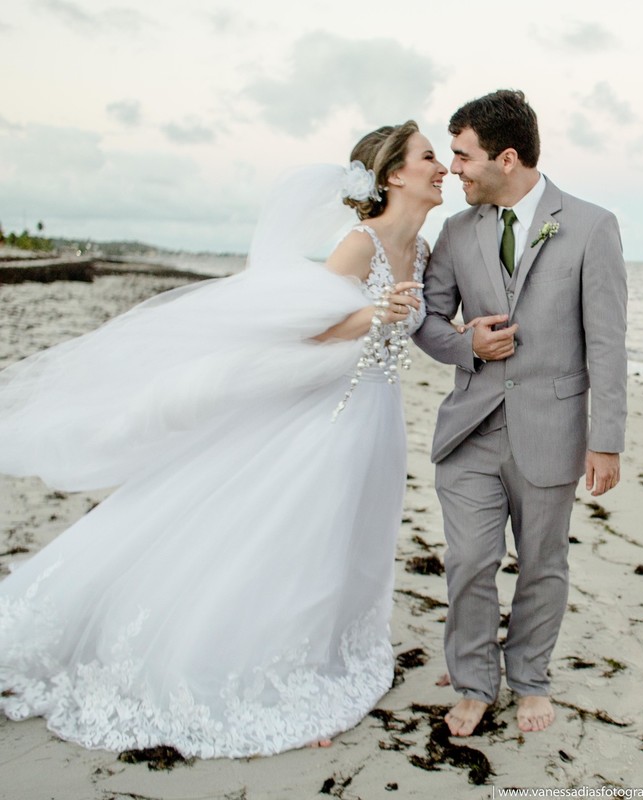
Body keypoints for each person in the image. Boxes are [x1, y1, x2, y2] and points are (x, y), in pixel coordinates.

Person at [0, 122, 446, 757]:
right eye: (430, 157)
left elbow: (425, 324)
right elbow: (306, 332)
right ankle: (275, 673)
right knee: (302, 540)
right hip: (329, 412)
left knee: (356, 535)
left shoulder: (424, 251)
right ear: (395, 174)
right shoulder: (359, 246)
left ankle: (331, 655)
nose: (444, 169)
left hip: (379, 411)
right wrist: (376, 313)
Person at [412, 90, 627, 736]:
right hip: (471, 429)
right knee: (470, 560)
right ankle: (476, 680)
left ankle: (530, 677)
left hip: (552, 430)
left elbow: (608, 341)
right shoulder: (454, 232)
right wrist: (465, 343)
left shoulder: (591, 226)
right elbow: (425, 319)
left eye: (462, 155)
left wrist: (606, 439)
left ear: (507, 158)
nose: (453, 169)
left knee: (542, 562)